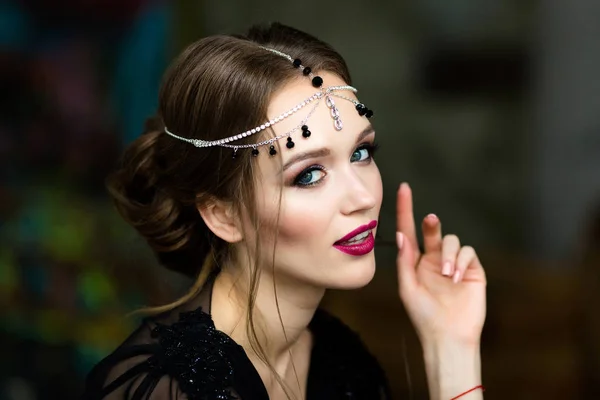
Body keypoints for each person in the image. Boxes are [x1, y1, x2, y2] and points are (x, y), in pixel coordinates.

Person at [82, 22, 487, 400]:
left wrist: (452, 347)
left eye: (361, 152)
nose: (362, 197)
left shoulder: (341, 359)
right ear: (223, 214)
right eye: (309, 175)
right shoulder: (168, 388)